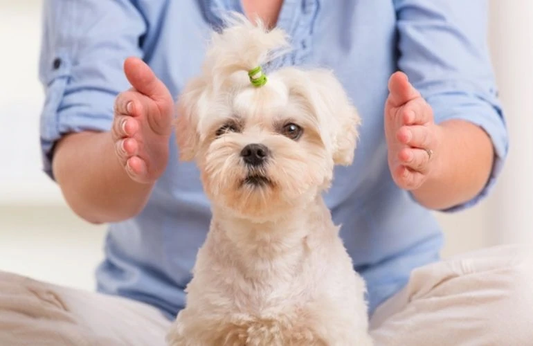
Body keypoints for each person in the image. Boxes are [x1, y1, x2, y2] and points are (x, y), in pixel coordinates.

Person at [1, 0, 531, 345]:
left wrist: (429, 151)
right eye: (229, 129)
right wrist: (133, 157)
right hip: (159, 313)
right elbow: (88, 188)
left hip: (387, 311)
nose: (254, 148)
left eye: (290, 131)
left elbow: (469, 122)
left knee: (521, 293)